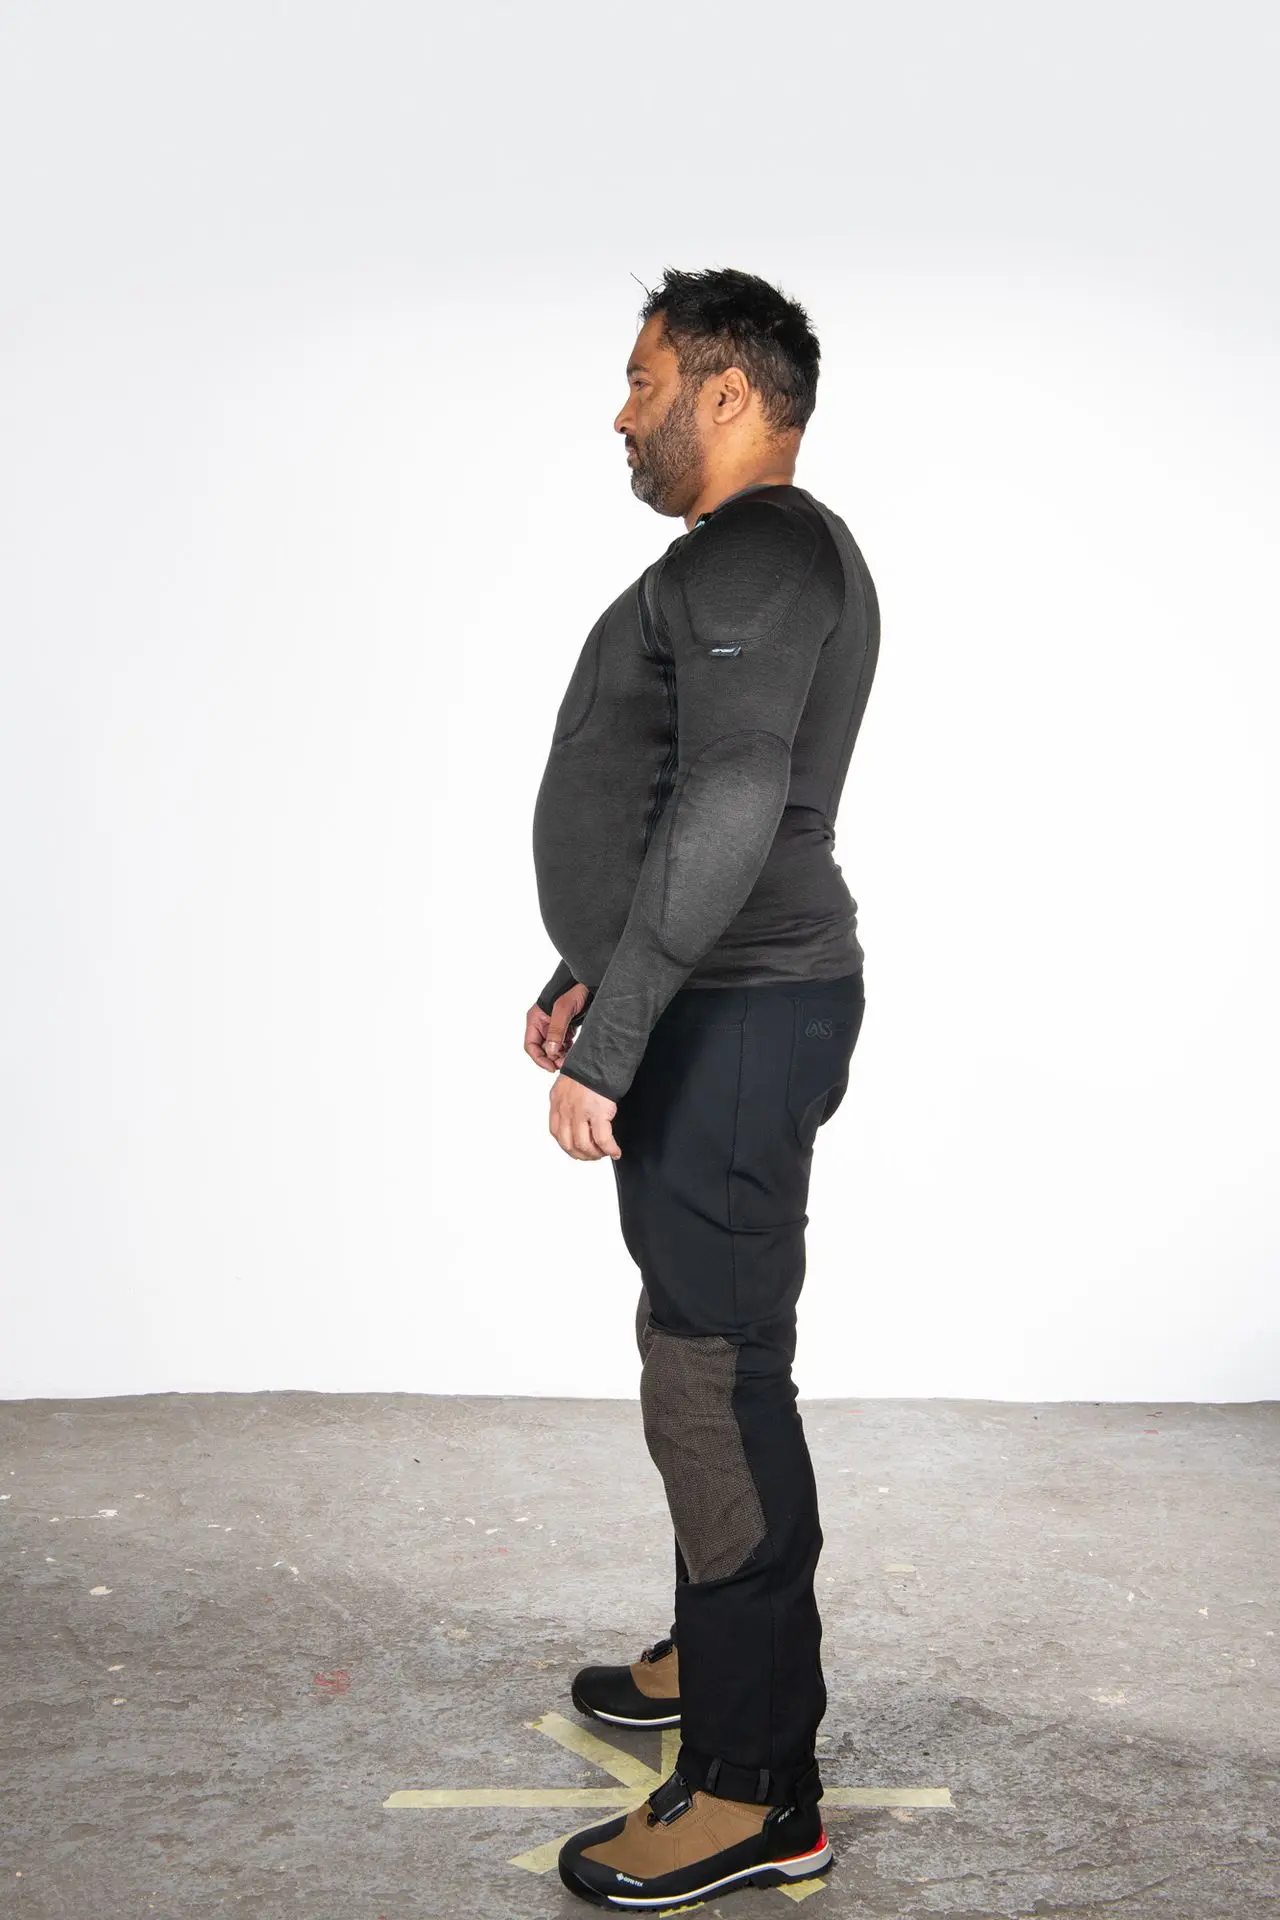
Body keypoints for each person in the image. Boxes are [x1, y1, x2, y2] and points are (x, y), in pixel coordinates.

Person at [523, 266, 880, 1909]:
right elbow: (673, 794)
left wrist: (617, 1039)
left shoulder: (762, 553)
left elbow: (735, 797)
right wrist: (589, 971)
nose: (623, 412)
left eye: (643, 377)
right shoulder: (739, 560)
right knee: (704, 1355)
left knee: (714, 1382)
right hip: (708, 1006)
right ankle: (713, 1650)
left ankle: (752, 1786)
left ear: (728, 391)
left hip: (736, 1021)